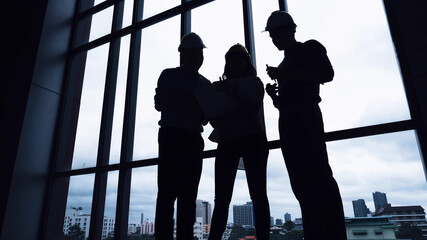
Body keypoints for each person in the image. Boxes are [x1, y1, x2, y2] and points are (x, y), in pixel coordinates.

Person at [264, 11, 347, 240]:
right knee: (300, 182)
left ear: (289, 31)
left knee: (319, 176)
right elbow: (285, 103)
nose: (273, 40)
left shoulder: (309, 48)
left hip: (306, 116)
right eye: (271, 36)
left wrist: (286, 74)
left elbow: (327, 74)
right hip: (289, 120)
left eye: (275, 35)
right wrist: (273, 97)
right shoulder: (284, 63)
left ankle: (332, 234)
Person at [208, 44, 270, 240]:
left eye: (238, 61)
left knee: (228, 199)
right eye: (232, 62)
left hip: (234, 141)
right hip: (249, 141)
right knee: (255, 197)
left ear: (245, 64)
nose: (235, 65)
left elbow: (248, 109)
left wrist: (224, 95)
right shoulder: (254, 84)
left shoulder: (254, 84)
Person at [154, 32, 211, 240]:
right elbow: (160, 104)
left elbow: (205, 118)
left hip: (189, 140)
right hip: (173, 137)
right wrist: (191, 103)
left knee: (185, 197)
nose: (198, 59)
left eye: (200, 55)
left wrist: (182, 102)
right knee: (169, 195)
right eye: (195, 54)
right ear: (183, 55)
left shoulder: (204, 83)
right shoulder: (171, 76)